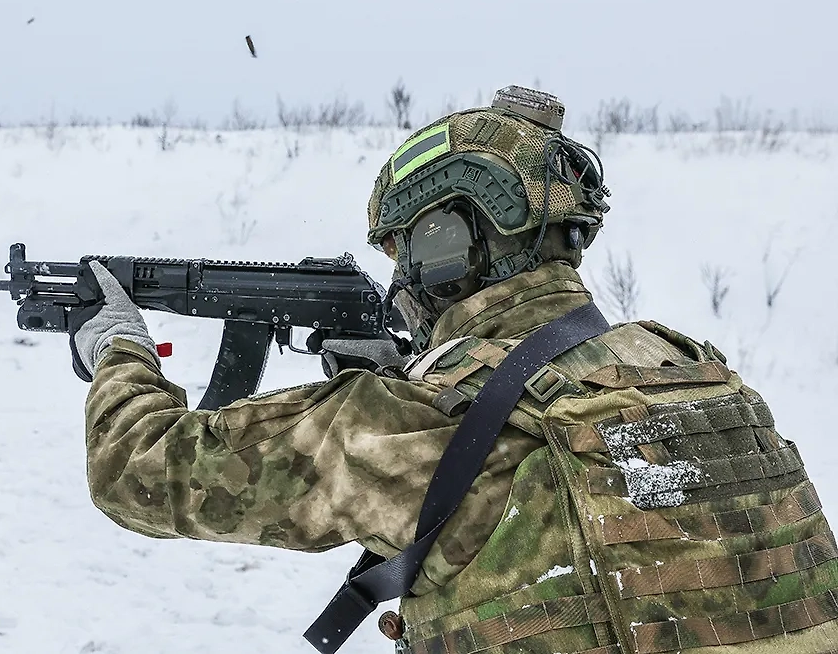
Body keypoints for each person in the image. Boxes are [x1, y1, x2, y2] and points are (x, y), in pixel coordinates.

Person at [70, 86, 838, 654]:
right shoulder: (697, 374)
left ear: (444, 242)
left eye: (404, 249)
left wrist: (117, 349)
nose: (399, 277)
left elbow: (137, 468)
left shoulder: (394, 426)